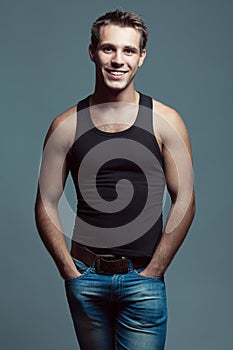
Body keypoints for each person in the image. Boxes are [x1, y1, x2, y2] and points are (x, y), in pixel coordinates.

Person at [35, 9, 195, 350]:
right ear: (93, 52)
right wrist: (68, 270)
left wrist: (155, 270)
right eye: (109, 49)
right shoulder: (65, 125)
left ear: (141, 58)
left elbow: (185, 200)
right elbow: (46, 201)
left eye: (128, 51)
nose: (118, 60)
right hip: (85, 278)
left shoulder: (166, 121)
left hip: (143, 281)